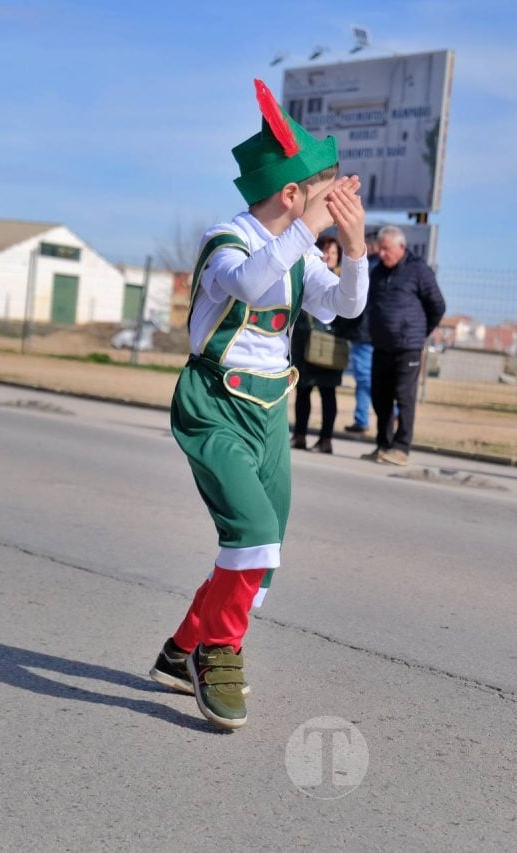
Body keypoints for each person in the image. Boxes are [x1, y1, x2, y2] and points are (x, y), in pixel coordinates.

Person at [147, 79, 367, 730]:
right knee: (252, 532)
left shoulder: (300, 253)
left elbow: (345, 307)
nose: (332, 208)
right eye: (324, 196)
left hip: (270, 408)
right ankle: (218, 652)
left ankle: (181, 648)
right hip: (214, 403)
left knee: (263, 548)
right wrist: (308, 230)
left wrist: (355, 249)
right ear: (292, 195)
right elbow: (247, 282)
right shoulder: (228, 240)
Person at [362, 225, 445, 466]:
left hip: (408, 346)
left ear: (401, 247)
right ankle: (383, 444)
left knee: (404, 396)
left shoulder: (419, 270)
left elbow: (438, 305)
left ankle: (401, 447)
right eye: (380, 249)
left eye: (386, 249)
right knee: (380, 397)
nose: (382, 254)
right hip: (381, 345)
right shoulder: (377, 272)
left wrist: (419, 332)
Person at [290, 235, 348, 453]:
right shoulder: (308, 274)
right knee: (303, 390)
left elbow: (351, 315)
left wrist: (339, 330)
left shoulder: (343, 282)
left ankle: (325, 440)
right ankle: (300, 436)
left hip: (330, 346)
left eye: (333, 253)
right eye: (325, 251)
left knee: (328, 392)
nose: (329, 256)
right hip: (304, 343)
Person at [340, 232, 379, 433]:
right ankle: (363, 418)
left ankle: (365, 418)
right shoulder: (382, 268)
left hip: (364, 332)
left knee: (365, 378)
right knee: (368, 379)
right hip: (374, 333)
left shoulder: (369, 267)